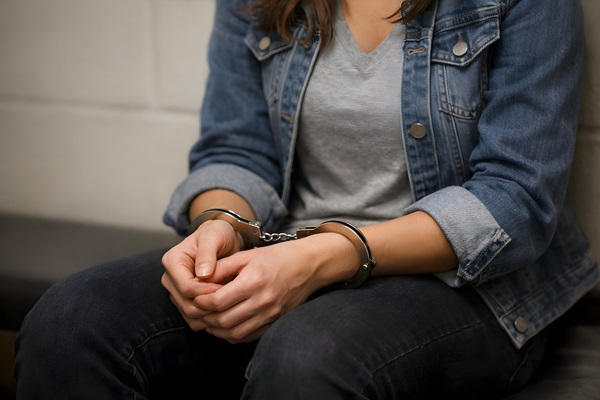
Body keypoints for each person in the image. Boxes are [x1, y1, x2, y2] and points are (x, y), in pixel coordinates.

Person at [13, 0, 599, 398]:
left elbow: (516, 200)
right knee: (71, 320)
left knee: (309, 354)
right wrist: (219, 222)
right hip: (287, 254)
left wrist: (323, 256)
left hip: (470, 286)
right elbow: (236, 146)